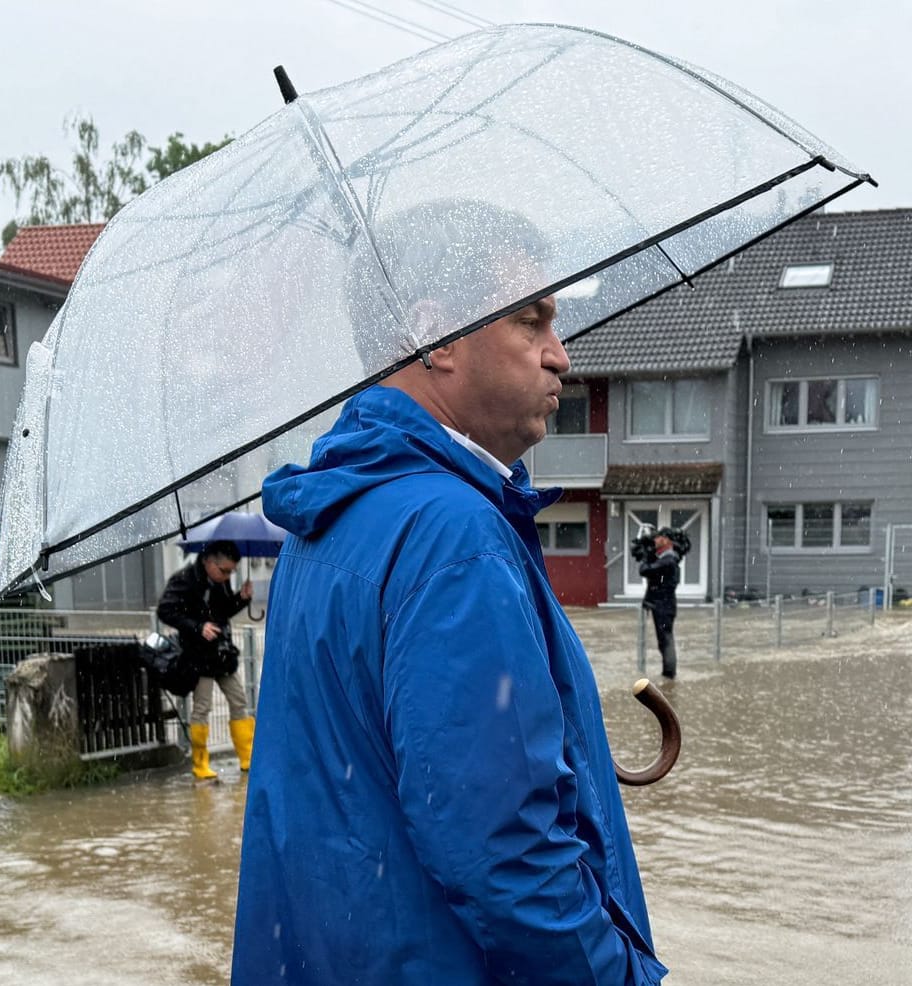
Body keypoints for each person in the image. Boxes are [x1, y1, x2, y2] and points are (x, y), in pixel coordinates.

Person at [232, 201, 667, 984]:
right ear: (435, 337)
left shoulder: (329, 520)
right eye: (531, 323)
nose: (560, 356)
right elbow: (507, 857)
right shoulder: (451, 535)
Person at [155, 539, 255, 780]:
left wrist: (241, 598)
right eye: (224, 571)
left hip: (222, 654)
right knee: (202, 707)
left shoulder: (219, 581)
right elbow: (165, 610)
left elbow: (224, 611)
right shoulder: (184, 579)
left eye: (231, 571)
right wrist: (197, 627)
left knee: (238, 700)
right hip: (198, 657)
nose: (227, 575)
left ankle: (247, 758)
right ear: (209, 562)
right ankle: (200, 763)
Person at [639, 530, 682, 680]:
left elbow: (645, 570)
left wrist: (645, 557)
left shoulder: (668, 559)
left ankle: (669, 675)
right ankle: (668, 674)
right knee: (664, 640)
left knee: (666, 640)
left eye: (658, 537)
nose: (655, 540)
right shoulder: (666, 557)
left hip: (664, 606)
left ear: (666, 540)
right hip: (663, 605)